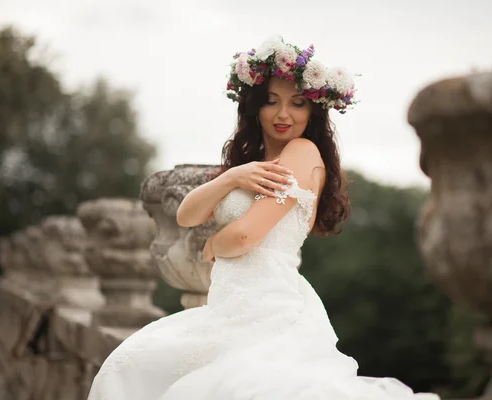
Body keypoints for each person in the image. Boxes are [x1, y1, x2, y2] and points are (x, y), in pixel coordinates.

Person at [87, 36, 439, 400]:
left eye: (297, 104)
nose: (283, 115)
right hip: (228, 309)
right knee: (130, 365)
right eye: (271, 102)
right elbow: (186, 214)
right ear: (255, 107)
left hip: (267, 309)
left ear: (312, 112)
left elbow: (243, 237)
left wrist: (212, 244)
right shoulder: (250, 164)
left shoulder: (303, 152)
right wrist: (231, 177)